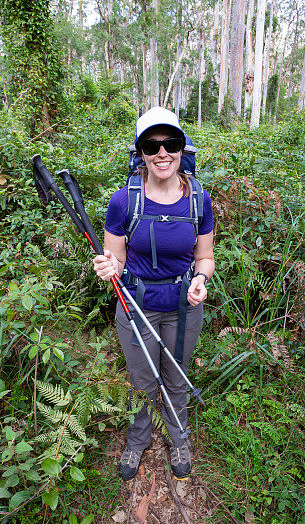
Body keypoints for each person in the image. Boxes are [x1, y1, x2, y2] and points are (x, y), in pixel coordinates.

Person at [93, 107, 215, 481]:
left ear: (183, 148)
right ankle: (137, 439)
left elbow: (205, 256)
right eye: (151, 145)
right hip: (135, 307)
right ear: (140, 153)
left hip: (183, 307)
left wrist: (201, 280)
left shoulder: (198, 200)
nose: (162, 153)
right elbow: (113, 261)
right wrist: (108, 268)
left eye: (170, 143)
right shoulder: (123, 202)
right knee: (143, 381)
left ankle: (178, 437)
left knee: (177, 377)